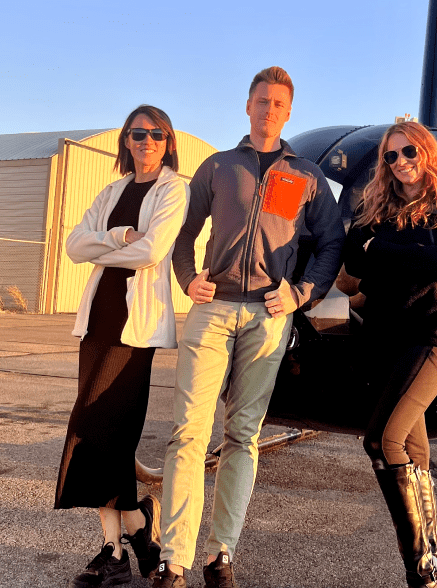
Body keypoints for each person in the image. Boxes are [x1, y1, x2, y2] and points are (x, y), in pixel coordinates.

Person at [152, 66, 345, 588]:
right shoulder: (218, 167)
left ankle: (221, 555)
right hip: (212, 312)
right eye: (261, 101)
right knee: (189, 434)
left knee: (243, 434)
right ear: (247, 105)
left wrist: (302, 294)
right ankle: (174, 561)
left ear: (287, 112)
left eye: (278, 105)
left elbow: (331, 245)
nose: (268, 111)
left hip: (269, 316)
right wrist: (189, 278)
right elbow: (183, 232)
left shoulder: (305, 176)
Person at [55, 105, 189, 588]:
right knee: (95, 428)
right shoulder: (111, 191)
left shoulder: (175, 188)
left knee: (102, 427)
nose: (147, 141)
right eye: (138, 134)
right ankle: (135, 535)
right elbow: (73, 245)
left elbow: (154, 250)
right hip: (97, 324)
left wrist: (105, 246)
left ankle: (117, 549)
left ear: (168, 141)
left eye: (156, 134)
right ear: (126, 142)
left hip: (136, 330)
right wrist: (117, 235)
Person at [342, 121, 437, 588]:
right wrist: (418, 248)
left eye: (409, 152)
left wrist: (387, 246)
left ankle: (420, 570)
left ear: (427, 153)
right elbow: (355, 261)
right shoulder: (373, 208)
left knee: (381, 440)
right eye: (391, 157)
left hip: (434, 337)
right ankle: (433, 567)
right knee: (414, 452)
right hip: (387, 340)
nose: (401, 163)